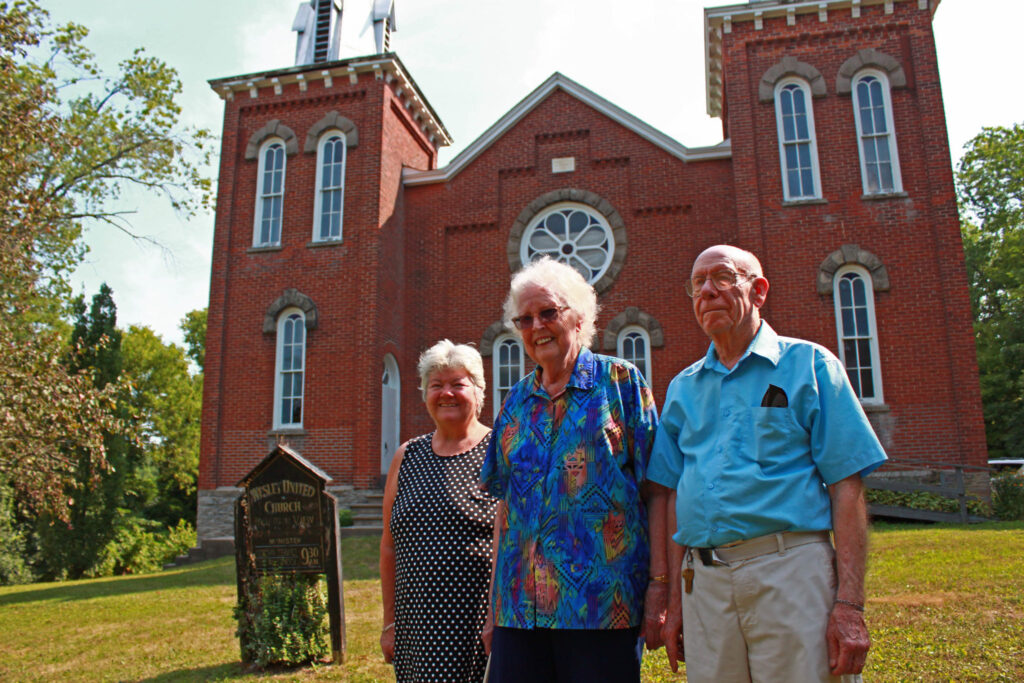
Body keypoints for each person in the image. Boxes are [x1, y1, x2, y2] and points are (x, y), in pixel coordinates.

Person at [648, 244, 888, 682]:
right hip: (705, 584)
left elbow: (846, 486)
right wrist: (675, 602)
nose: (707, 291)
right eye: (698, 283)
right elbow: (675, 494)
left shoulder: (810, 365)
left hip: (790, 571)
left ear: (758, 291)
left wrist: (850, 604)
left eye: (722, 277)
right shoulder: (683, 388)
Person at [481, 257, 666, 683]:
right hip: (519, 610)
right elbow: (506, 509)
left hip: (599, 609)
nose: (537, 326)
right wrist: (494, 607)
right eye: (525, 319)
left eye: (548, 312)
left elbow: (657, 491)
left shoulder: (620, 383)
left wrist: (660, 585)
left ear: (579, 318)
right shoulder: (515, 403)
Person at [380, 339, 498, 682]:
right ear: (425, 393)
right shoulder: (406, 456)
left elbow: (514, 544)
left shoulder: (498, 453)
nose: (446, 393)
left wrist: (497, 619)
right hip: (414, 630)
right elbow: (389, 546)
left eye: (457, 384)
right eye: (436, 385)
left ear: (478, 391)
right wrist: (389, 623)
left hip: (476, 628)